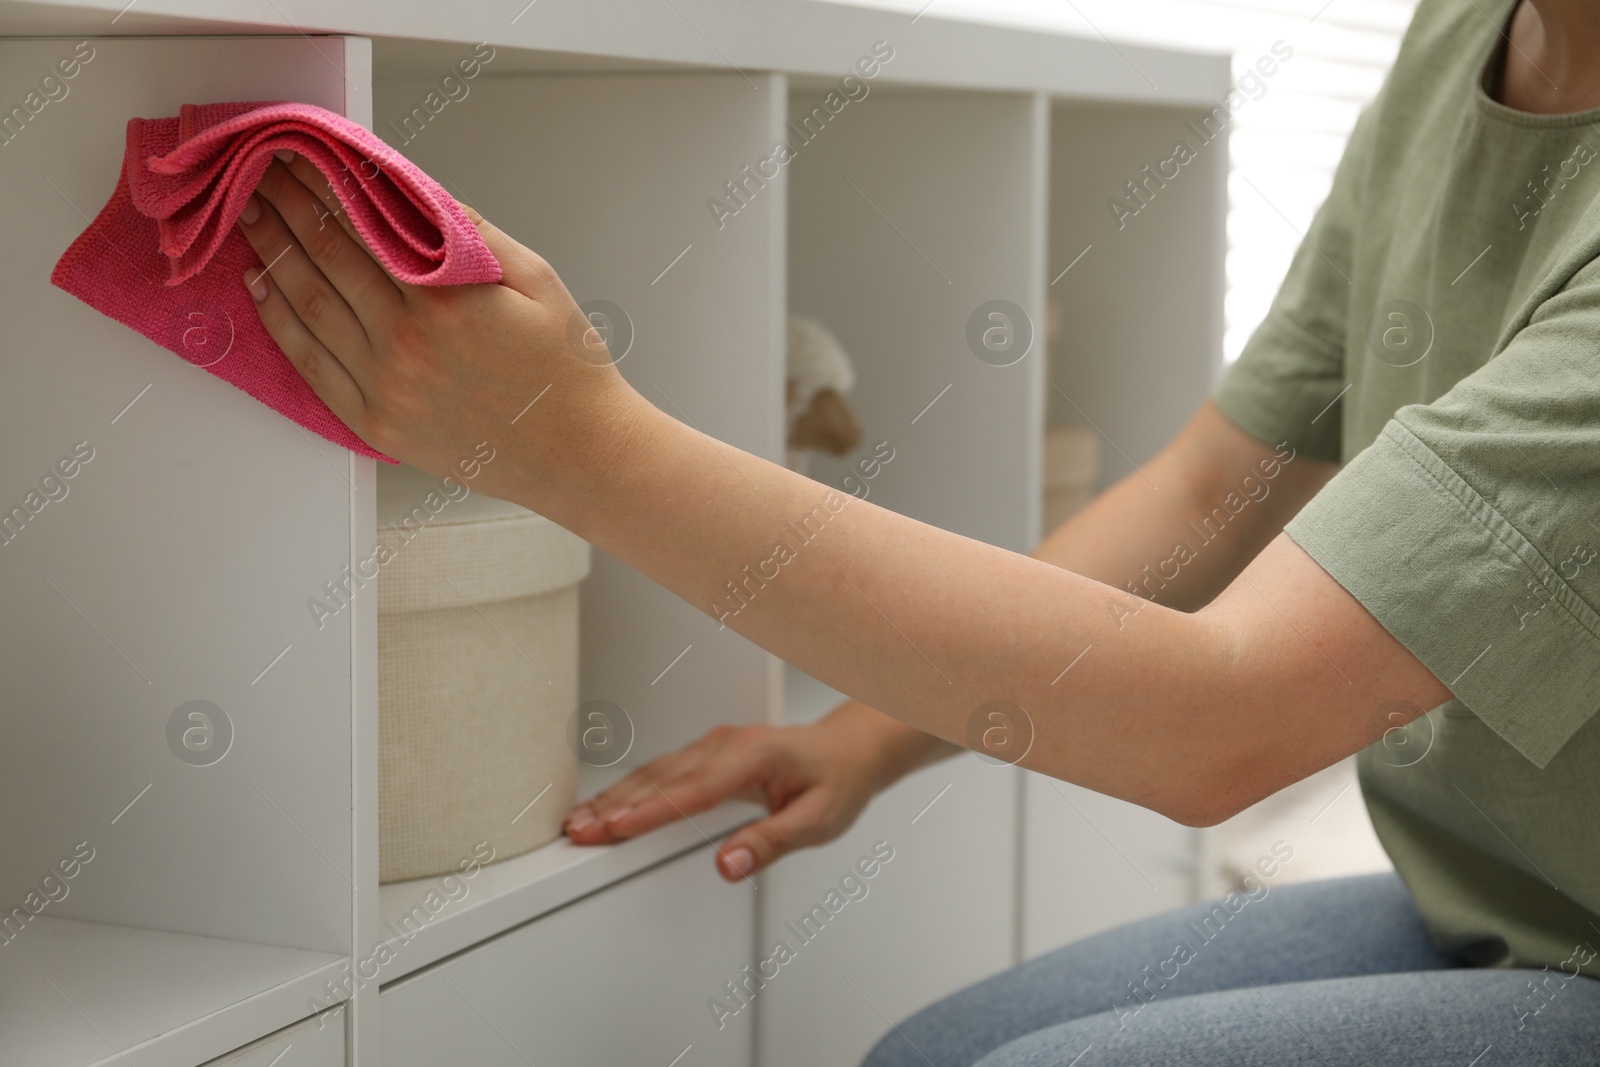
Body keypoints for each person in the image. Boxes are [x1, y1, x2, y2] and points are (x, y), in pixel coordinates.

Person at [235, 0, 1600, 1059]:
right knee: (927, 1057)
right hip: (1498, 894)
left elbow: (1220, 724)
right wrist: (864, 736)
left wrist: (571, 443)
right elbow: (1210, 491)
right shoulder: (1465, 35)